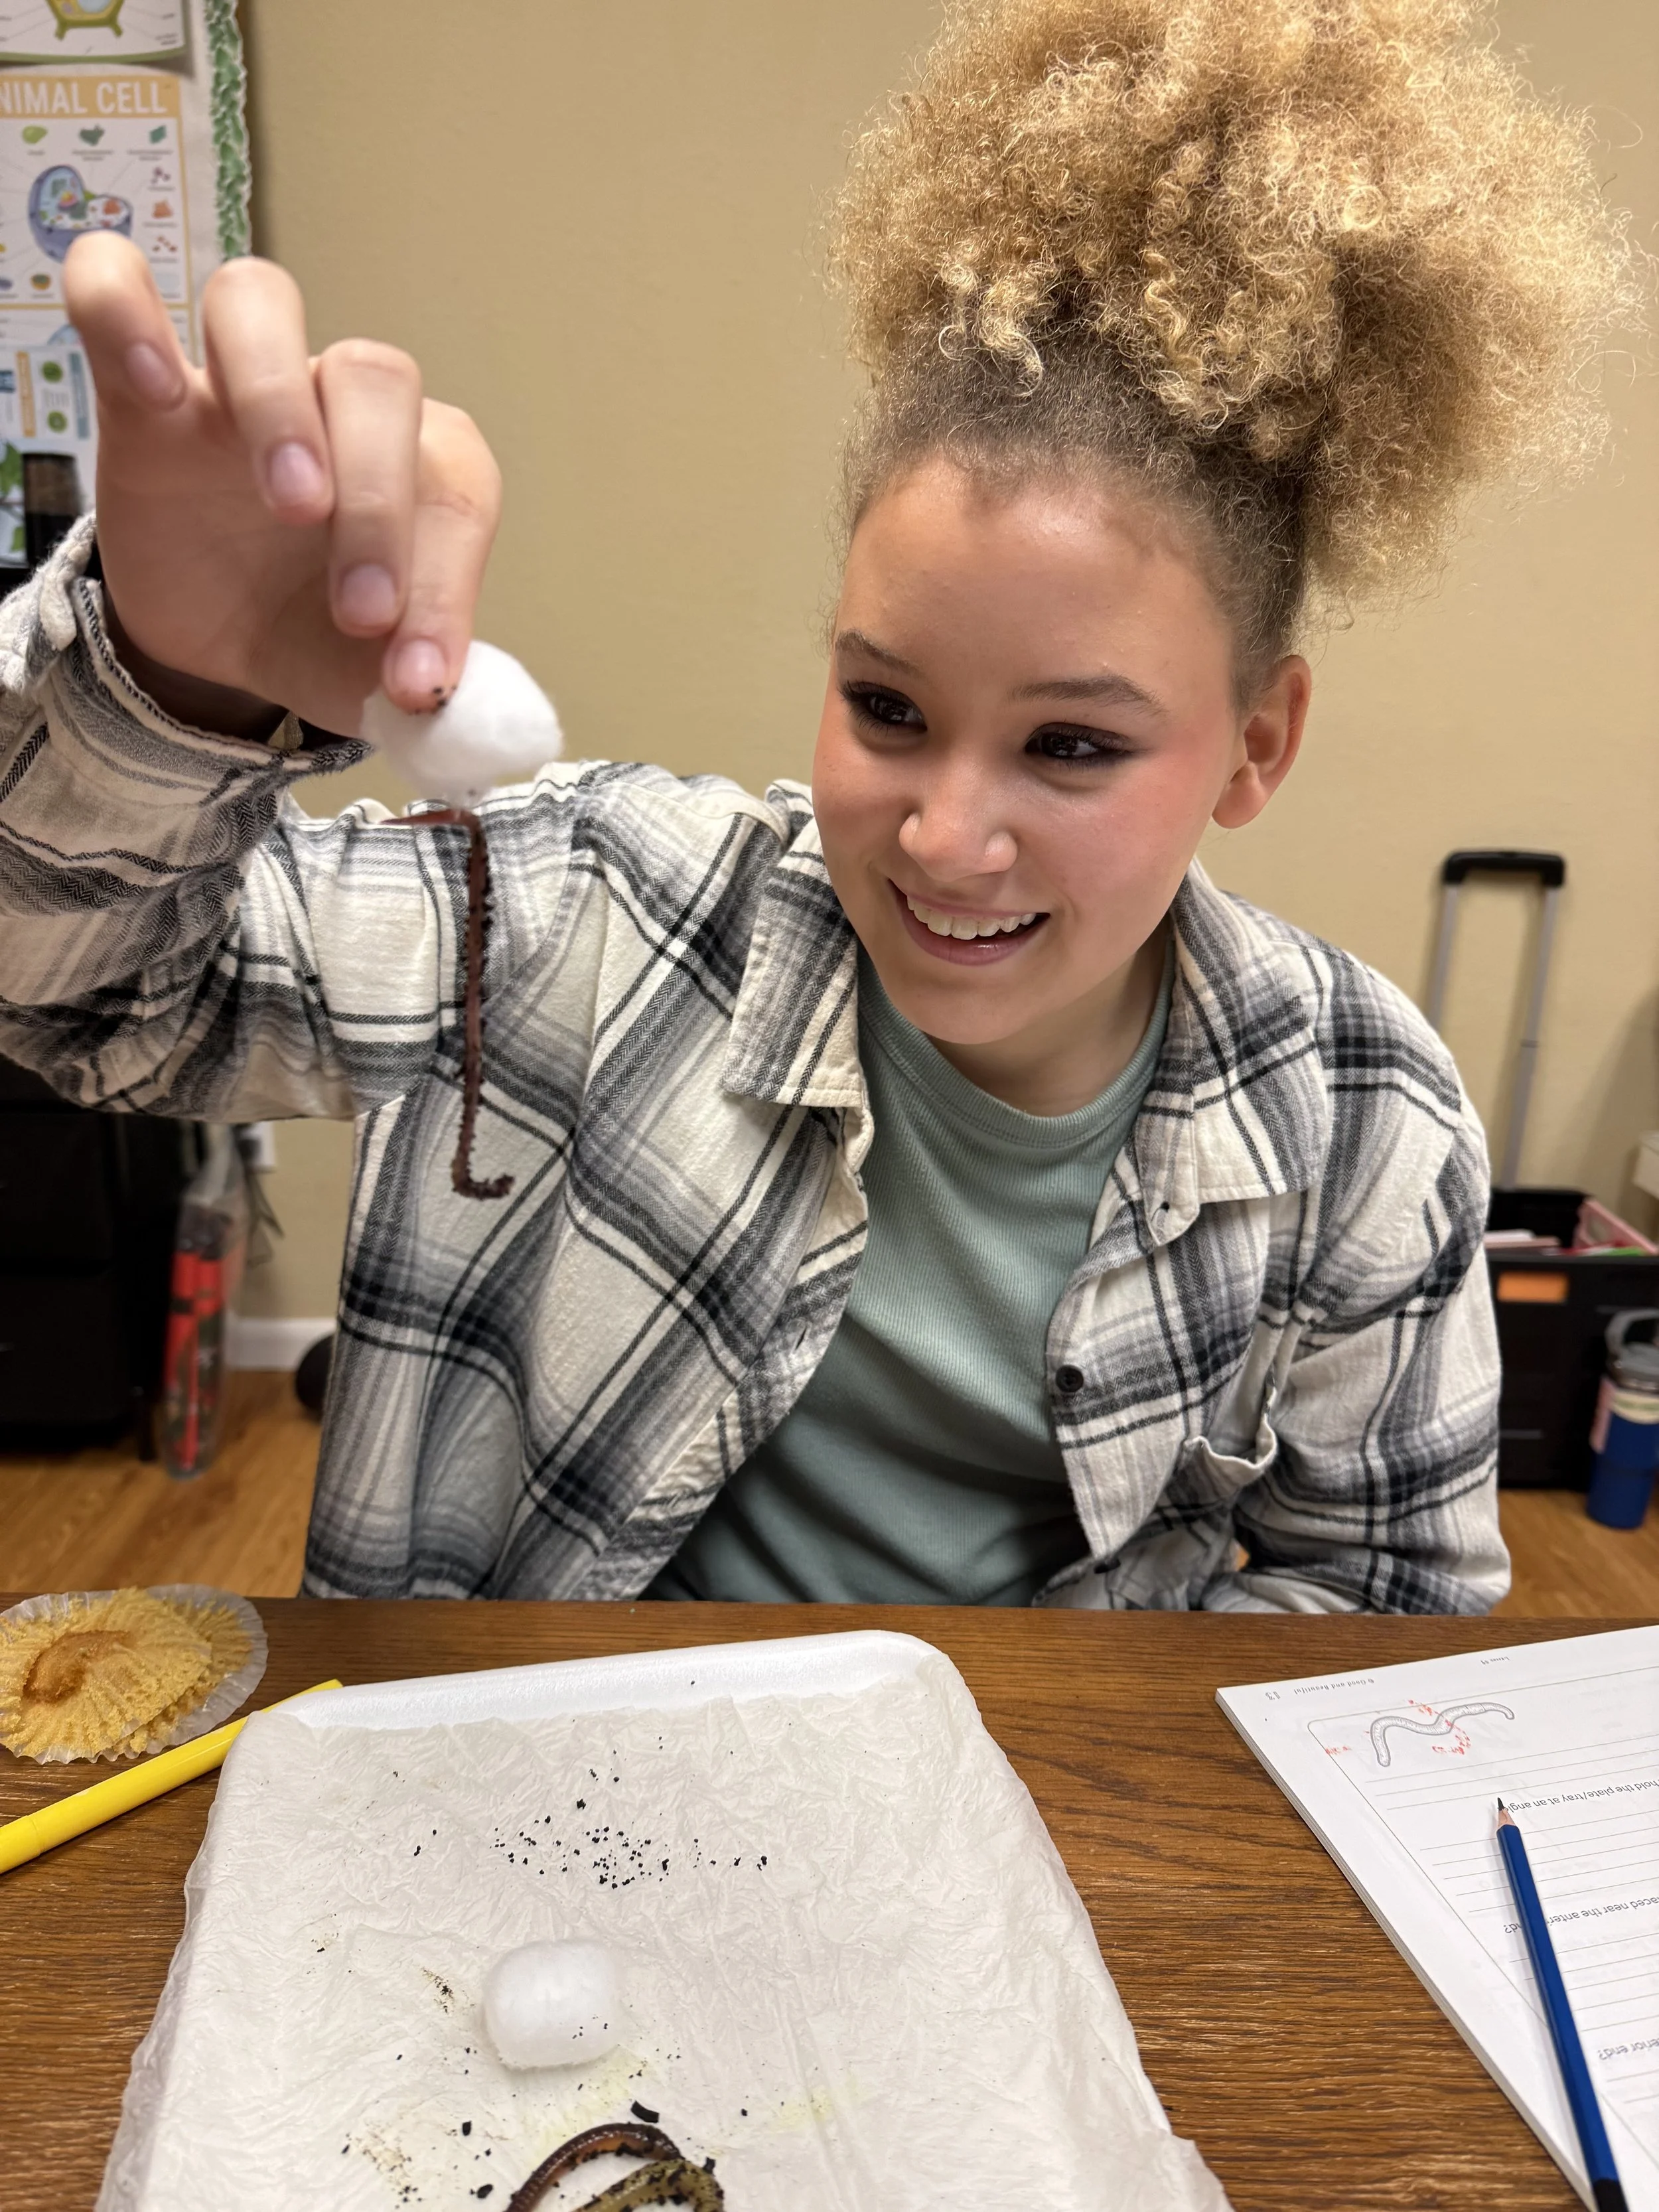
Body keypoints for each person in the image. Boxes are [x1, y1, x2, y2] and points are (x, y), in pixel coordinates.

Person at [0, 0, 1636, 1609]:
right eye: (887, 707)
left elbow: (1382, 1597)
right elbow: (112, 1004)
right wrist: (171, 695)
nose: (942, 836)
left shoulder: (1360, 1123)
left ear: (1252, 745)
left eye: (1071, 747)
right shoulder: (594, 911)